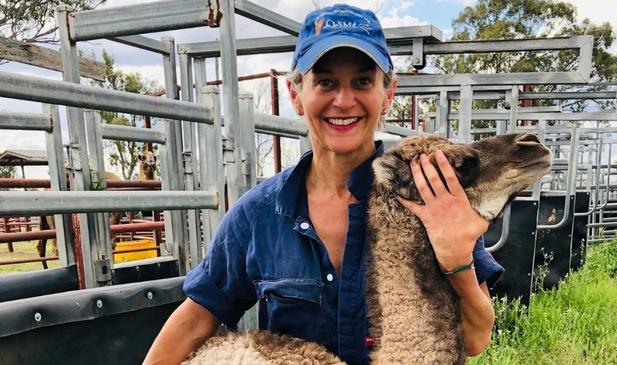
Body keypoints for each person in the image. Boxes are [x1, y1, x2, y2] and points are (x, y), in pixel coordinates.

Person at [143, 4, 503, 365]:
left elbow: (475, 338)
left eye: (362, 81)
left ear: (387, 93)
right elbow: (194, 320)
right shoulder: (260, 214)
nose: (344, 101)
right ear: (296, 94)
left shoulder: (426, 196)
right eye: (325, 82)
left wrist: (458, 261)